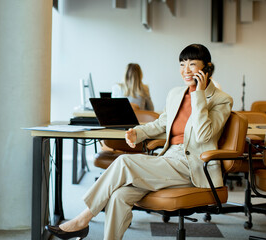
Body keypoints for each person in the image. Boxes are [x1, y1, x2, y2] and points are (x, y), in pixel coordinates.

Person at [45, 44, 233, 240]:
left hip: (194, 167)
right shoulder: (176, 93)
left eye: (192, 64)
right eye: (182, 64)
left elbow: (204, 136)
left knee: (125, 161)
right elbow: (162, 123)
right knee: (119, 196)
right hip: (169, 159)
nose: (185, 70)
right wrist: (139, 132)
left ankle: (82, 220)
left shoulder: (221, 100)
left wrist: (199, 95)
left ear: (207, 68)